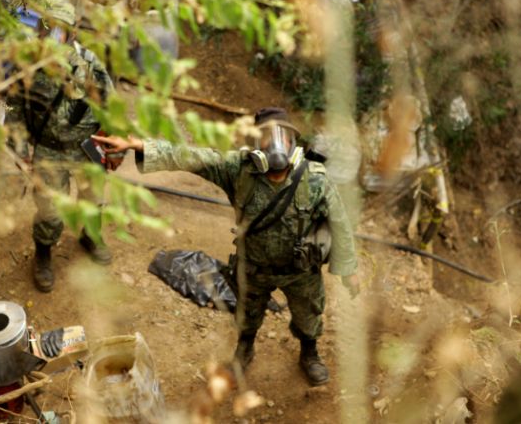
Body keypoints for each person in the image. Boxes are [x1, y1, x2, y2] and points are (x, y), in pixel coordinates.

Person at [92, 107, 360, 386]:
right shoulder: (238, 169)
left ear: (294, 142)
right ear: (255, 143)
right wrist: (139, 145)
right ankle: (244, 351)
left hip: (300, 271)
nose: (276, 144)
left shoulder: (314, 178)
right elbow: (191, 156)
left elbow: (339, 221)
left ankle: (309, 354)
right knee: (247, 315)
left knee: (309, 315)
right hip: (253, 268)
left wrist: (348, 269)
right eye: (266, 137)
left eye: (282, 136)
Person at [4, 0, 123, 292]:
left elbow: (111, 107)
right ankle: (44, 253)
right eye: (48, 27)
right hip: (48, 151)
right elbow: (15, 112)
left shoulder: (90, 65)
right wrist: (21, 154)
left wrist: (115, 148)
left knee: (93, 200)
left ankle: (89, 236)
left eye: (61, 29)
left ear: (72, 33)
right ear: (41, 30)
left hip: (86, 148)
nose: (54, 34)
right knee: (49, 210)